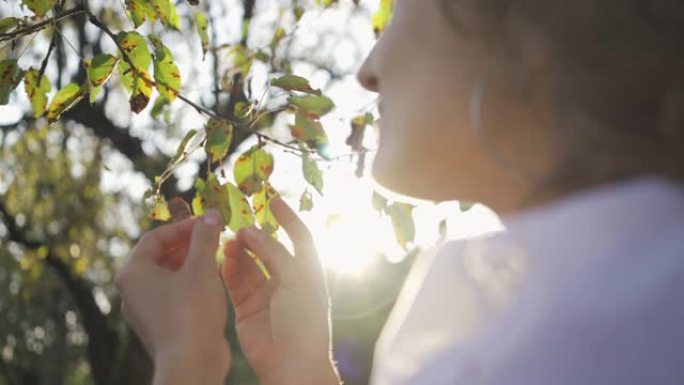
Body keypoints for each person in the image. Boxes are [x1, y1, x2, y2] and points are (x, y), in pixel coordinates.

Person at [114, 0, 684, 384]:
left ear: (526, 29)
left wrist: (184, 360)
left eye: (399, 12)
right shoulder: (622, 289)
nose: (368, 69)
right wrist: (305, 369)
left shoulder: (578, 329)